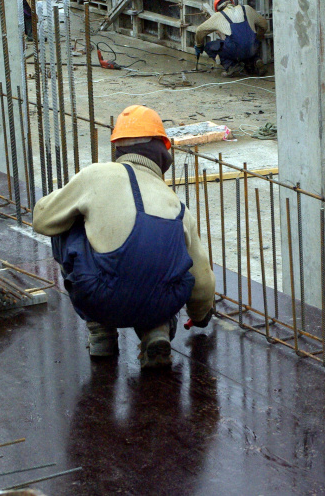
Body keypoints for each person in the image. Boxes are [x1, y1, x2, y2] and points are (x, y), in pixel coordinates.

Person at [32, 105, 216, 369]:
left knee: (67, 223)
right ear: (162, 152)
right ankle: (157, 330)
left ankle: (101, 331)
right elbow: (202, 279)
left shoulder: (96, 176)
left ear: (118, 148)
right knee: (169, 263)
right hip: (161, 304)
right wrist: (200, 316)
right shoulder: (177, 206)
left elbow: (42, 220)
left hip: (100, 298)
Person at [194, 0, 269, 77]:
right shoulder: (247, 8)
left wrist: (199, 45)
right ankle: (256, 60)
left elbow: (199, 31)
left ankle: (231, 66)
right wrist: (257, 38)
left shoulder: (218, 15)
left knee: (209, 46)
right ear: (232, 2)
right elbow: (264, 25)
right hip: (253, 48)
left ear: (217, 9)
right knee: (246, 43)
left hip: (236, 50)